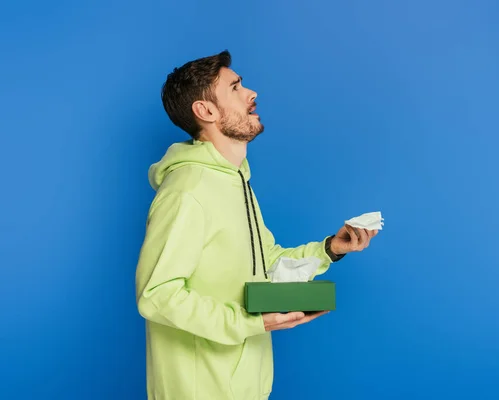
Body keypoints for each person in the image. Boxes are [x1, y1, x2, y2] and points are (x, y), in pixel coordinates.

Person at [135, 50, 379, 400]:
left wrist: (330, 249)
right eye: (235, 88)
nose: (251, 93)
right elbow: (157, 295)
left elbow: (263, 263)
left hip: (247, 385)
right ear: (205, 111)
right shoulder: (188, 190)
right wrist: (251, 322)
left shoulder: (235, 183)